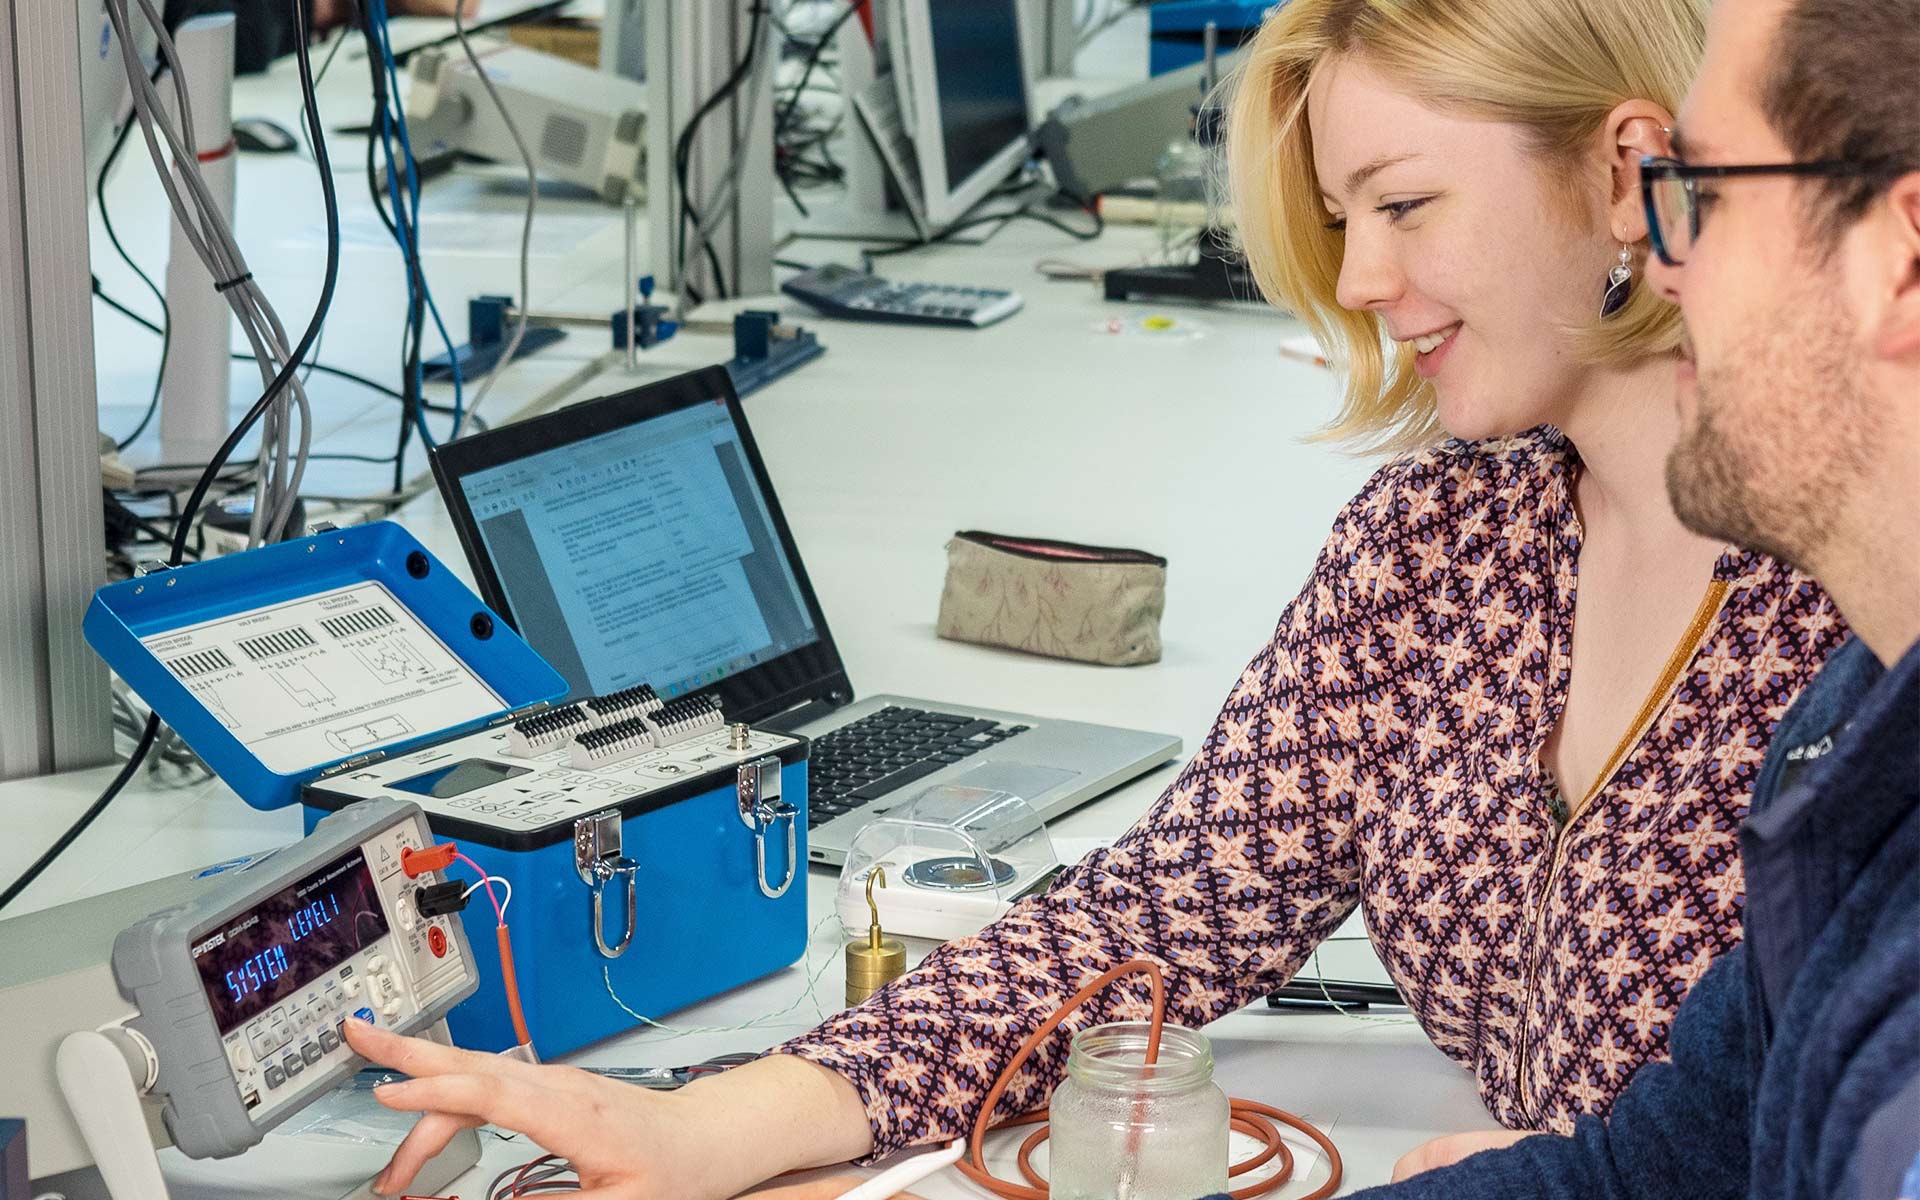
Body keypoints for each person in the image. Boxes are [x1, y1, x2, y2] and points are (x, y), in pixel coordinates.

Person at [343, 0, 1860, 1194]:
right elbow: (1162, 910)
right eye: (1345, 221)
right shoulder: (1445, 542)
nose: (1360, 281)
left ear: (1627, 175)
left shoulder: (1855, 596)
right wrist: (720, 1124)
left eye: (1405, 205)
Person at [1352, 0, 1920, 1192]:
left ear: (1904, 255)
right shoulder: (1854, 731)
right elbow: (1649, 1170)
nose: (1665, 260)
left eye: (1705, 192)